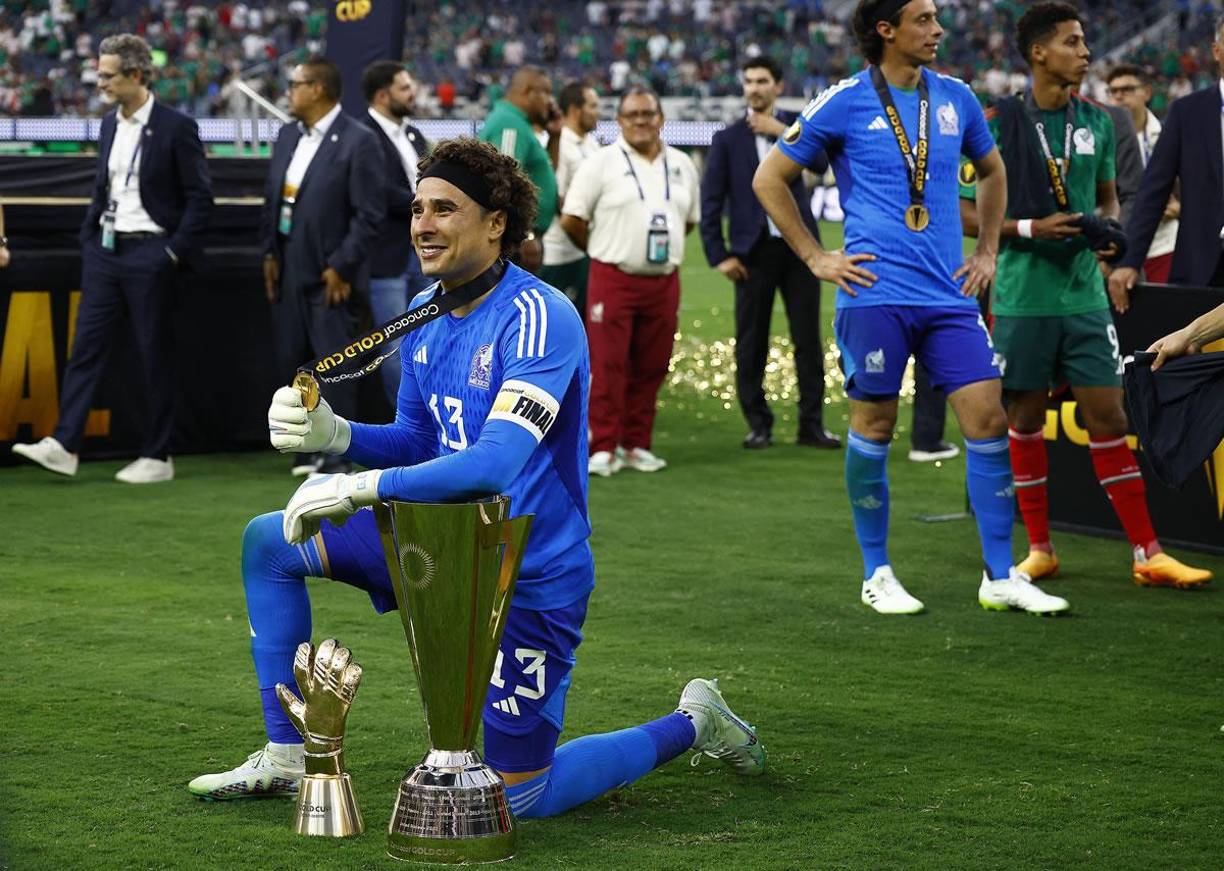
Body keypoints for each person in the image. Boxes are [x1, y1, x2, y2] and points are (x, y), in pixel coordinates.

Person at [186, 138, 763, 814]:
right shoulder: (427, 320)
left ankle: (696, 720)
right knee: (268, 542)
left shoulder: (539, 316)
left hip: (527, 568)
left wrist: (358, 486)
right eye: (417, 208)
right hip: (436, 541)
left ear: (496, 223)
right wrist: (336, 435)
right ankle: (288, 752)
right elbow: (419, 442)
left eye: (444, 209)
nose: (422, 224)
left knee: (519, 799)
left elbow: (492, 465)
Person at [754, 0, 1068, 616]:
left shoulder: (955, 97)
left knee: (987, 420)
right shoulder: (842, 100)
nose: (938, 30)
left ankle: (999, 575)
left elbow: (993, 169)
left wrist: (988, 250)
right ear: (886, 30)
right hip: (876, 296)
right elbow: (771, 178)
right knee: (874, 426)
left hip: (949, 295)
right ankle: (877, 572)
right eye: (923, 19)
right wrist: (817, 257)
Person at [960, 2, 1211, 590]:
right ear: (1039, 53)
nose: (1086, 52)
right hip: (1021, 296)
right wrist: (1027, 230)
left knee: (1109, 415)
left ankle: (1148, 553)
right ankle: (1040, 549)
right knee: (1023, 416)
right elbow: (963, 210)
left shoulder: (1100, 121)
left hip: (1083, 297)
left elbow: (1106, 200)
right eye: (1073, 42)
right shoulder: (996, 121)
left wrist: (1107, 233)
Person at [11, 33, 212, 483]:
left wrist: (172, 252)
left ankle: (158, 455)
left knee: (152, 355)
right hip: (105, 251)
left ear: (136, 75)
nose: (98, 82)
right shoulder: (108, 124)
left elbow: (201, 198)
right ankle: (65, 445)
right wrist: (88, 236)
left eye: (107, 75)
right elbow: (102, 188)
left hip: (151, 252)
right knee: (85, 349)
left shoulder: (177, 126)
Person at [700, 56, 840, 451]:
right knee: (751, 341)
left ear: (778, 86)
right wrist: (720, 255)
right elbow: (711, 200)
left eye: (762, 81)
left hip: (799, 249)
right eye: (748, 81)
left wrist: (782, 130)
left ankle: (811, 426)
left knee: (808, 340)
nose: (754, 88)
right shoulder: (727, 139)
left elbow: (820, 161)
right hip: (752, 252)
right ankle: (758, 424)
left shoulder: (797, 127)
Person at [561, 86, 701, 477]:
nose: (641, 121)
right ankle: (603, 444)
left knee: (653, 365)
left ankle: (636, 443)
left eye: (648, 114)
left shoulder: (682, 164)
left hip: (662, 279)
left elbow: (687, 220)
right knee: (608, 364)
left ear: (662, 119)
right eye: (632, 115)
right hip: (612, 276)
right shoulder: (601, 163)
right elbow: (573, 219)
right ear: (619, 121)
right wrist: (606, 249)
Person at [261, 56, 385, 477]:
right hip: (291, 259)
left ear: (318, 89)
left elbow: (369, 213)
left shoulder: (358, 140)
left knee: (334, 363)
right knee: (294, 358)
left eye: (295, 85)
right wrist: (269, 253)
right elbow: (274, 200)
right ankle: (307, 447)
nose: (289, 93)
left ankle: (338, 453)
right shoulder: (287, 136)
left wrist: (343, 266)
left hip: (331, 270)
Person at [1110, 15, 1224, 299]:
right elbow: (1153, 191)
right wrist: (1130, 261)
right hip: (1202, 264)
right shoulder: (1187, 112)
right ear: (1217, 50)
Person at [361, 60, 432, 404]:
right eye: (404, 87)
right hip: (384, 255)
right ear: (381, 95)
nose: (413, 92)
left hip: (423, 251)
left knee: (431, 335)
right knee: (394, 344)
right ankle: (409, 426)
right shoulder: (361, 134)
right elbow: (376, 192)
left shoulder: (413, 133)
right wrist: (424, 206)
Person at [479, 66, 559, 274]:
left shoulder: (517, 123)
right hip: (515, 244)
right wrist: (526, 235)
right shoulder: (509, 123)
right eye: (547, 93)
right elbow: (502, 184)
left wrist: (555, 135)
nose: (551, 102)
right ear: (528, 92)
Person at [1106, 64, 1179, 284]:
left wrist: (1181, 207)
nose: (1119, 97)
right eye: (1113, 91)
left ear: (1147, 93)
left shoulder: (1170, 134)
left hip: (1162, 245)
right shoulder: (1100, 138)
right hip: (1118, 246)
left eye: (1127, 89)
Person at [539, 81, 602, 322]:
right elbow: (554, 196)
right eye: (593, 106)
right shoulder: (561, 145)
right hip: (560, 253)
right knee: (558, 325)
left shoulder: (590, 144)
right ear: (576, 109)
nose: (598, 112)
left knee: (584, 325)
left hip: (585, 249)